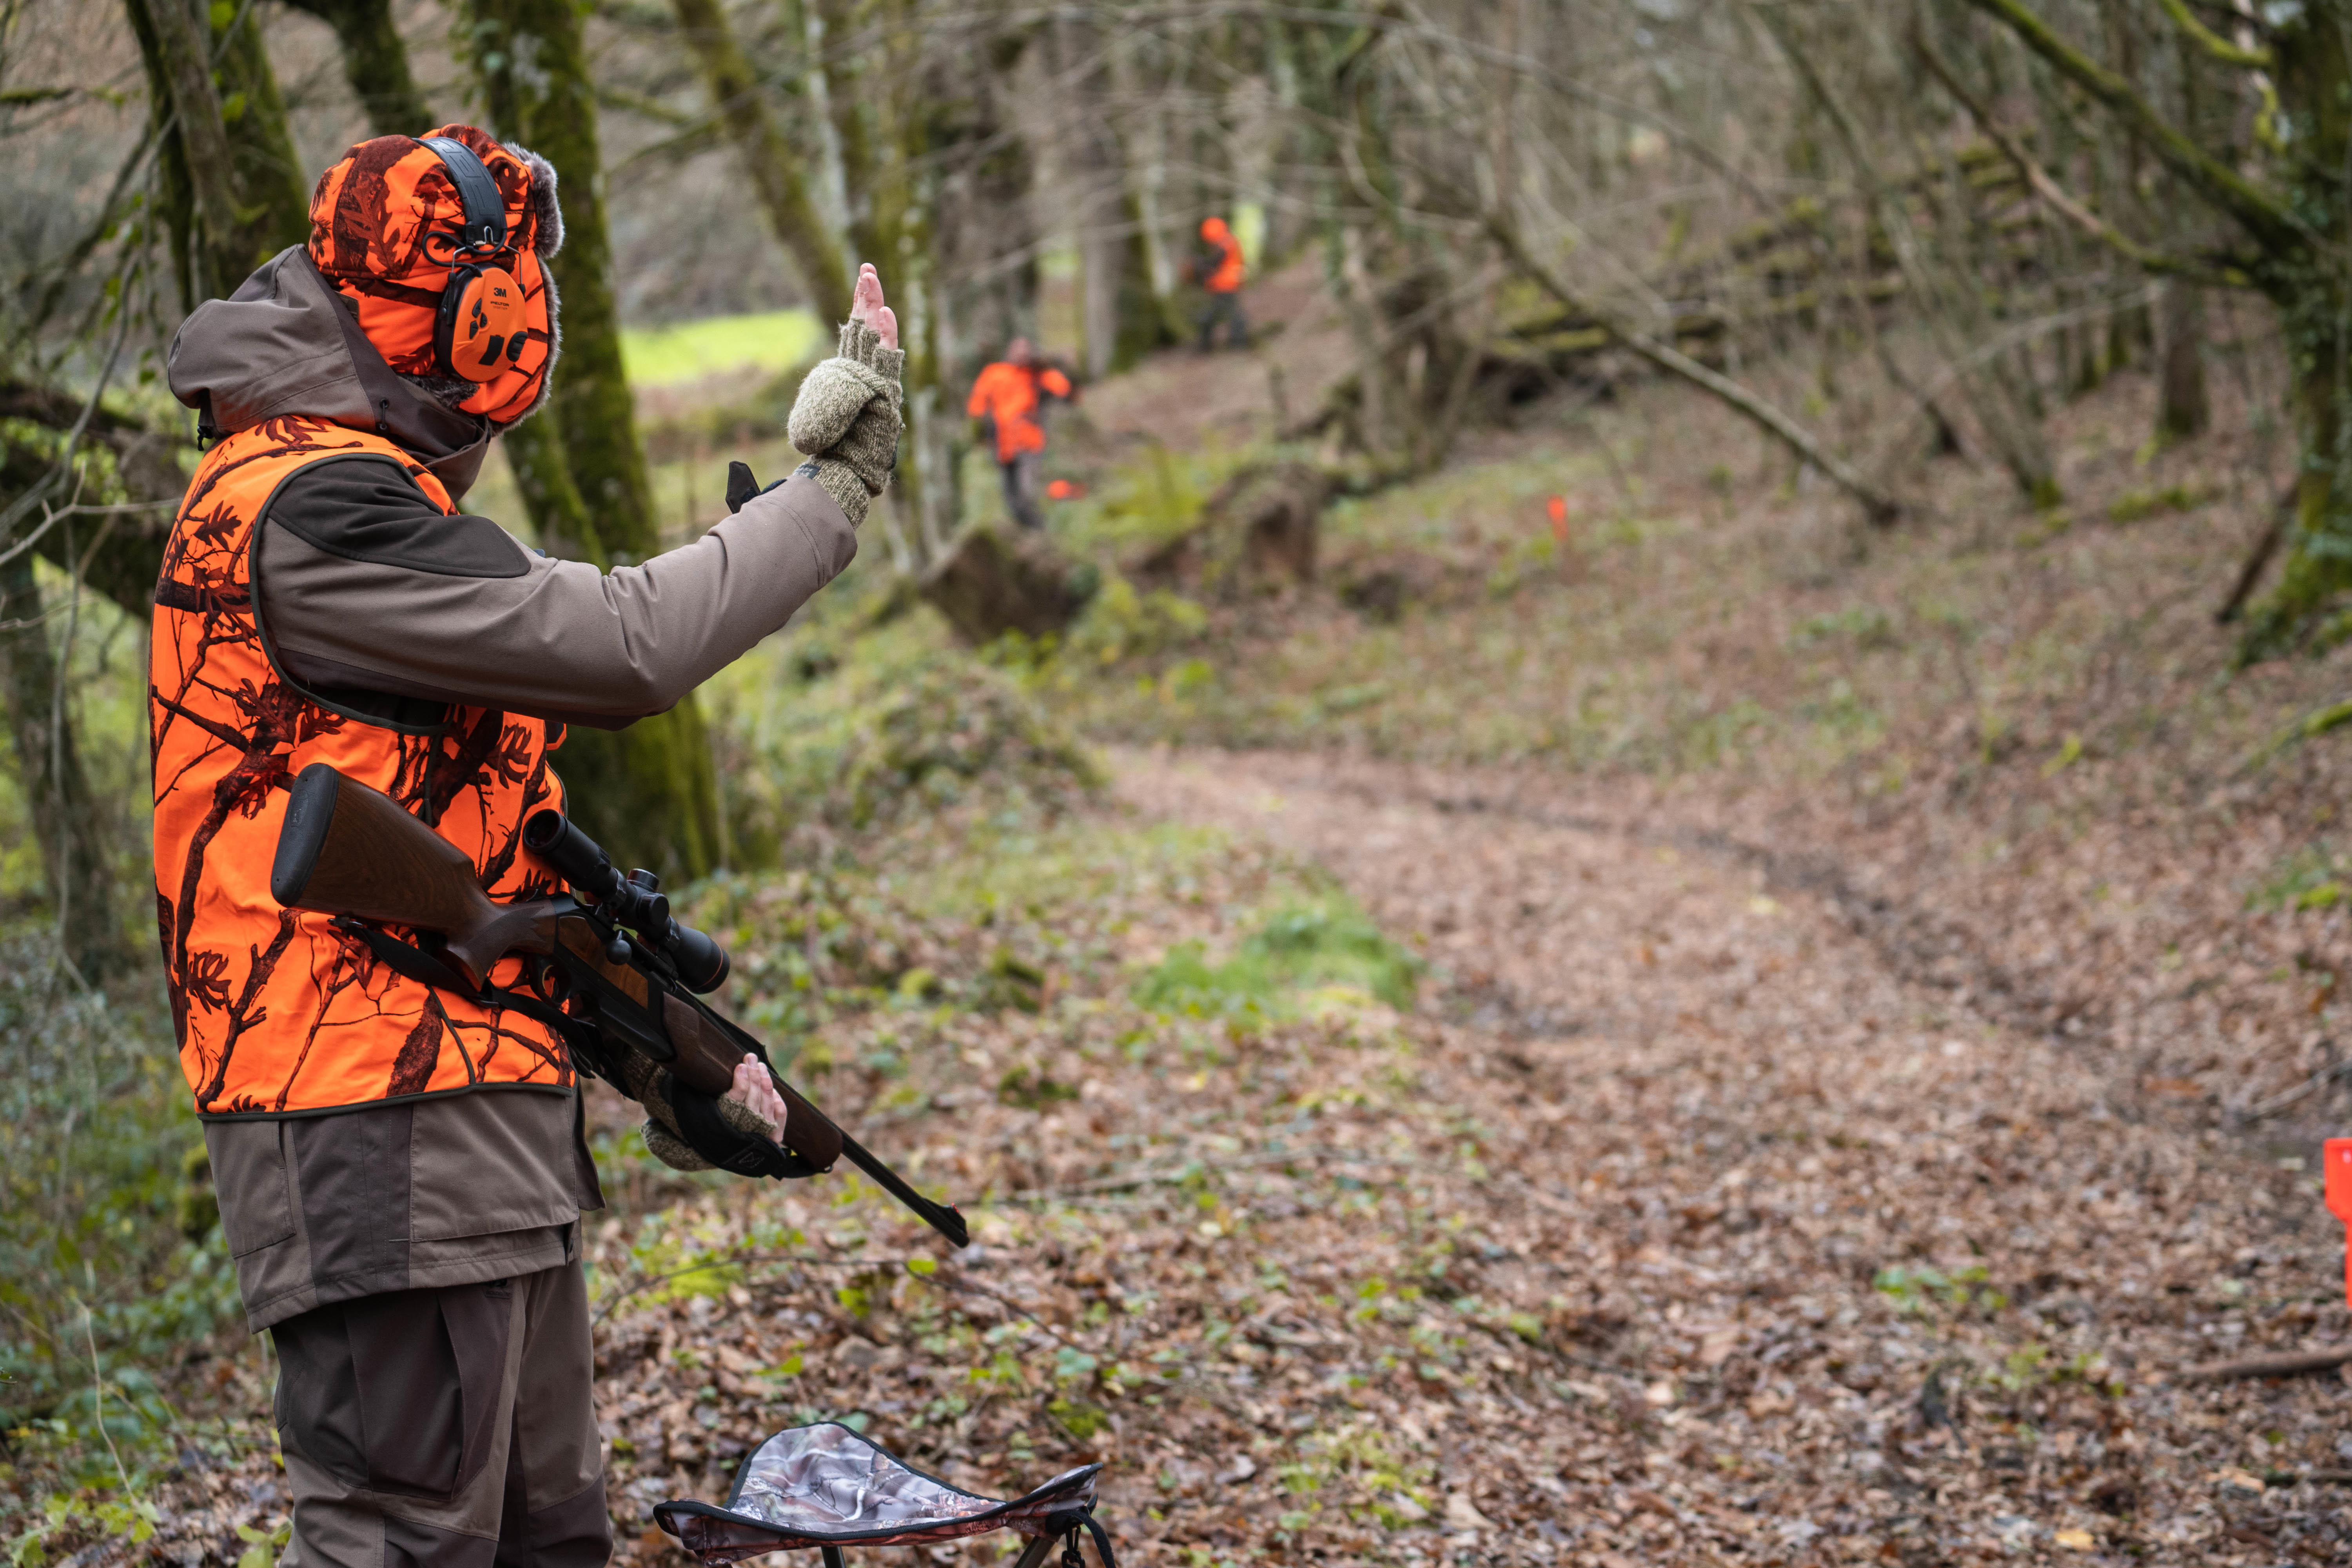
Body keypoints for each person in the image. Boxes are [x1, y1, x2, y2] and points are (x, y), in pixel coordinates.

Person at [152, 125, 906, 1568]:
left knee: (543, 1534)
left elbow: (483, 867)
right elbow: (622, 642)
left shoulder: (362, 496)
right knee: (403, 1541)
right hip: (368, 1118)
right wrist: (832, 500)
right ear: (470, 325)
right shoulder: (315, 506)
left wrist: (662, 1053)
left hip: (459, 1126)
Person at [966, 337, 1072, 530]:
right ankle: (1027, 534)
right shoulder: (995, 373)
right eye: (1018, 350)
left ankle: (1041, 531)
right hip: (1003, 444)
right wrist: (981, 428)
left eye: (1025, 350)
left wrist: (1049, 367)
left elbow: (1064, 389)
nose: (1021, 354)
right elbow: (977, 404)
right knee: (1011, 498)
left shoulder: (1036, 374)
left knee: (1027, 491)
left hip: (1029, 442)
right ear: (1009, 351)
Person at [1195, 214, 1249, 352]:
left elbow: (1215, 261)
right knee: (1230, 313)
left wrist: (1201, 265)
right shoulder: (1227, 241)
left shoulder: (1225, 243)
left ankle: (1236, 344)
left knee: (1220, 315)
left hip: (1226, 285)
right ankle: (1236, 343)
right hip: (1226, 284)